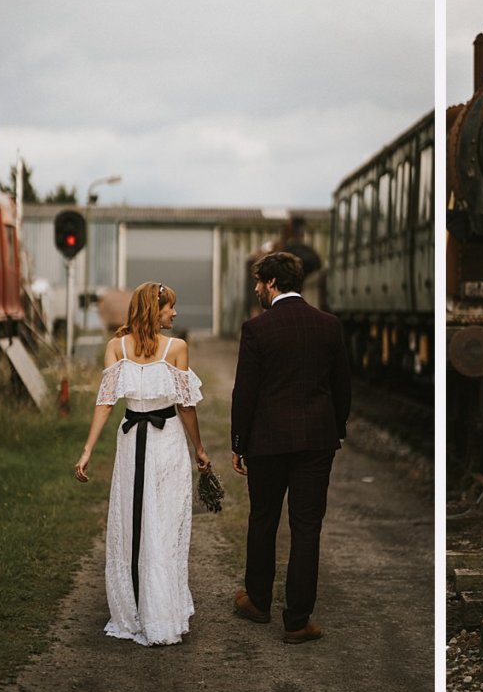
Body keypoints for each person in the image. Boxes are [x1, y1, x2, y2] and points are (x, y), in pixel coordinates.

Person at [74, 281, 211, 646]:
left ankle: (147, 610)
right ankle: (150, 611)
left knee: (146, 523)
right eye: (170, 308)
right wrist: (199, 448)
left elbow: (179, 405)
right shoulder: (168, 348)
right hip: (154, 441)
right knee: (153, 524)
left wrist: (198, 447)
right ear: (155, 309)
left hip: (145, 439)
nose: (175, 314)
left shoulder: (121, 347)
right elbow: (182, 407)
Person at [230, 251, 351, 644]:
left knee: (263, 519)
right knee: (307, 528)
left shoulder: (257, 329)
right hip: (317, 440)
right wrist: (338, 429)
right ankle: (298, 621)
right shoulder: (329, 326)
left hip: (266, 442)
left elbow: (245, 392)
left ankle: (259, 602)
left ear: (270, 283)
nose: (256, 290)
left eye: (258, 283)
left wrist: (238, 442)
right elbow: (342, 387)